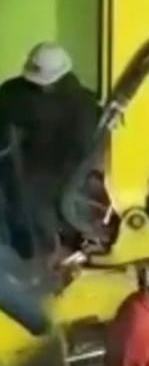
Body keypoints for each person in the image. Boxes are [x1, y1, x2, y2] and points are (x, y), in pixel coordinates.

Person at [0, 42, 99, 259]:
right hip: (14, 176)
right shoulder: (11, 93)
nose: (41, 87)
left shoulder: (82, 104)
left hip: (60, 180)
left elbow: (84, 151)